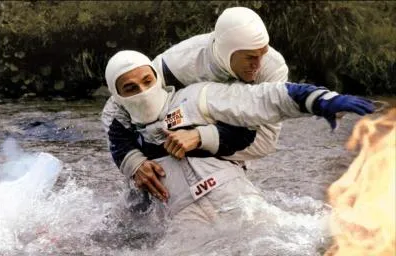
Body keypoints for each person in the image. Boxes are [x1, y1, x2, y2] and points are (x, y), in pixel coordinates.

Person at [103, 50, 374, 232]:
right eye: (130, 88)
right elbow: (115, 141)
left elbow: (259, 102)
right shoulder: (125, 135)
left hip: (238, 201)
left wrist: (320, 100)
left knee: (316, 237)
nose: (143, 91)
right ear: (117, 96)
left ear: (157, 78)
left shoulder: (196, 97)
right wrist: (133, 163)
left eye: (147, 81)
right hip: (184, 222)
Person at [102, 7, 289, 201]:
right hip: (163, 143)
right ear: (226, 51)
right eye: (250, 57)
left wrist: (200, 137)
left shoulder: (272, 69)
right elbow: (113, 110)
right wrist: (133, 163)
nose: (258, 65)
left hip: (225, 142)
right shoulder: (176, 64)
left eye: (263, 53)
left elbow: (265, 141)